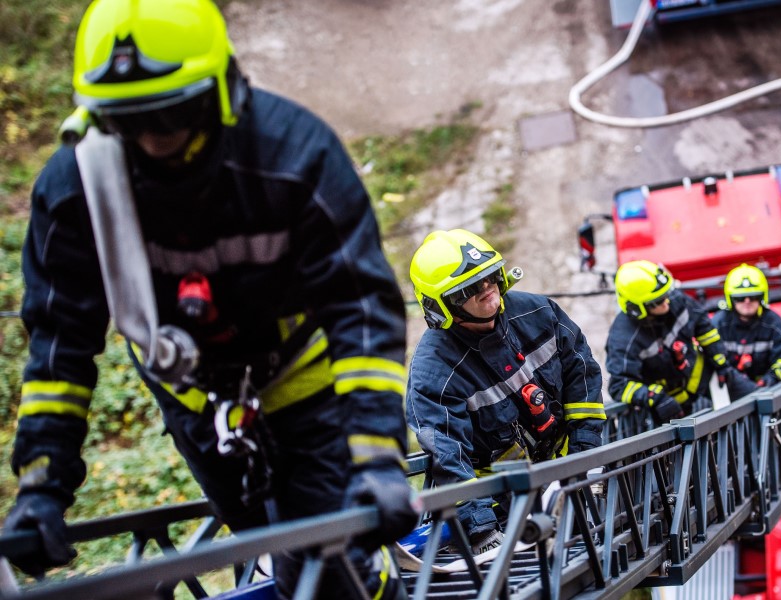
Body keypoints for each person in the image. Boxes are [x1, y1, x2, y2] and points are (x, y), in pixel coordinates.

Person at [4, 1, 417, 597]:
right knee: (259, 539)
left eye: (170, 117)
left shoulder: (296, 158)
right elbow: (58, 347)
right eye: (128, 122)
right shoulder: (74, 194)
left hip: (305, 383)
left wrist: (377, 454)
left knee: (325, 568)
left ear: (223, 91)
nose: (153, 141)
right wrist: (42, 487)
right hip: (196, 395)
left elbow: (360, 311)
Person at [406, 229, 606, 554]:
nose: (487, 289)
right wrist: (481, 527)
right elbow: (447, 455)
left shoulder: (540, 314)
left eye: (490, 276)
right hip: (506, 509)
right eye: (471, 287)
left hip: (569, 473)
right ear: (441, 306)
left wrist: (585, 454)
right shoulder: (434, 372)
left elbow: (582, 375)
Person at [605, 260, 728, 423]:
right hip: (667, 408)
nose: (667, 302)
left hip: (701, 383)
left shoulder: (675, 299)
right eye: (658, 300)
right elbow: (619, 386)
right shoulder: (623, 338)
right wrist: (654, 398)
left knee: (750, 399)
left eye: (666, 294)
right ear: (637, 308)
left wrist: (719, 359)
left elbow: (703, 325)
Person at [711, 264, 781, 400]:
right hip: (728, 397)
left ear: (762, 297)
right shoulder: (719, 325)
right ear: (730, 298)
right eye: (740, 298)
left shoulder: (774, 324)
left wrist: (771, 378)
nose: (747, 301)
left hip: (769, 395)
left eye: (753, 296)